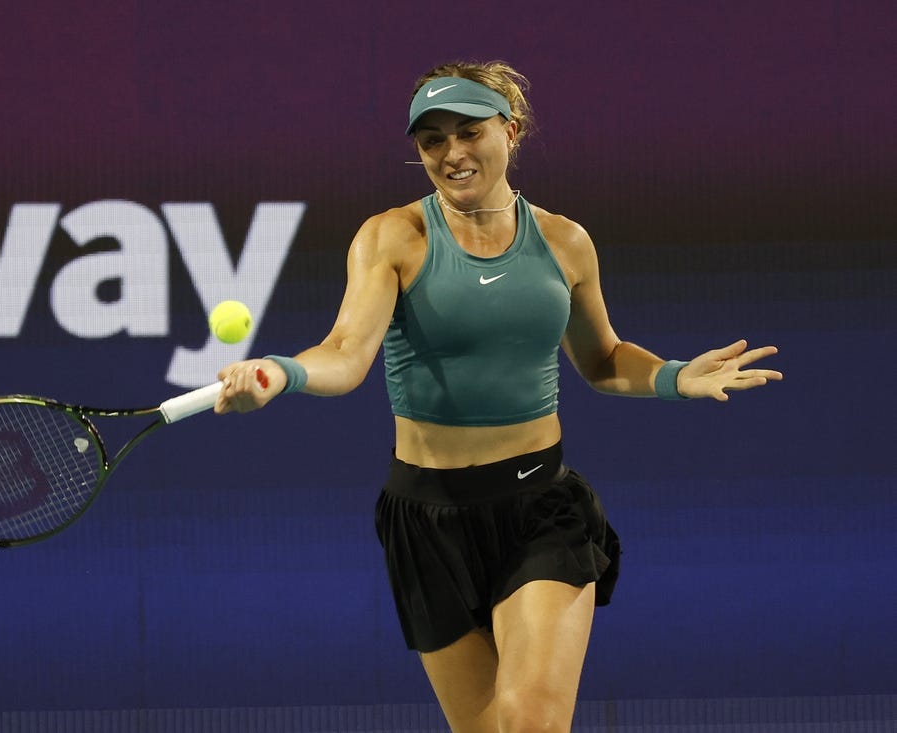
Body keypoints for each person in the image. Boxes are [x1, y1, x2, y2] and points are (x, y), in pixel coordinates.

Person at [213, 60, 782, 733]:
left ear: (510, 130)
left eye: (469, 130)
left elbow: (602, 358)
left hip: (541, 508)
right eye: (432, 140)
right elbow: (344, 352)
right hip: (427, 518)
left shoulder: (566, 242)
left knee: (533, 722)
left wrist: (673, 376)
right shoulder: (393, 236)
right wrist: (280, 372)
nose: (451, 153)